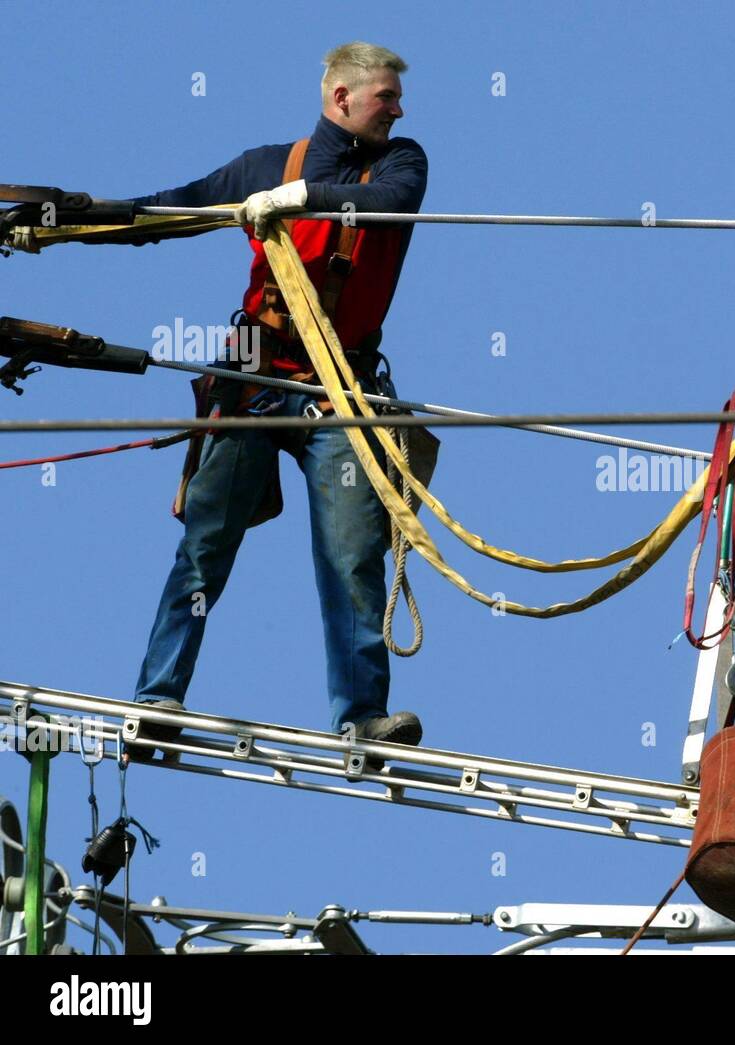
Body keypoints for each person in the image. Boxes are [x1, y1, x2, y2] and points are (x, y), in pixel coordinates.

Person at [20, 42, 430, 757]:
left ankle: (362, 715)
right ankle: (157, 700)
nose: (398, 109)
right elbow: (165, 213)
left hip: (340, 387)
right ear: (341, 99)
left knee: (351, 554)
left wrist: (300, 199)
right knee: (205, 543)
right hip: (254, 370)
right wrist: (60, 225)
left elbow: (388, 203)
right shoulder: (263, 166)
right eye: (385, 98)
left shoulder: (399, 162)